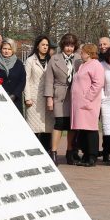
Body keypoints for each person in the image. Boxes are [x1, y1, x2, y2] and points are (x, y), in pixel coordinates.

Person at [44, 33, 79, 164]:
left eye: (71, 46)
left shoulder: (79, 59)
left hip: (74, 95)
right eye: (67, 45)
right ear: (62, 46)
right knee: (58, 124)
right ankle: (53, 152)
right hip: (59, 94)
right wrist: (49, 98)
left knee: (71, 126)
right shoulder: (54, 59)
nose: (69, 48)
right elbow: (48, 80)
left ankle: (70, 153)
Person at [69, 43, 105, 167]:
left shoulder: (96, 65)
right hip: (80, 104)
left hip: (88, 103)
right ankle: (85, 154)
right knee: (83, 130)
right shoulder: (83, 65)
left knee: (91, 129)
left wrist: (87, 98)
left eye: (82, 52)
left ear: (89, 53)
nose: (80, 54)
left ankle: (92, 156)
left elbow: (98, 83)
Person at [23, 35, 54, 153]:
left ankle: (47, 151)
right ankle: (34, 151)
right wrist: (27, 98)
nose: (45, 47)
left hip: (47, 97)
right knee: (34, 127)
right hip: (34, 98)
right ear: (37, 46)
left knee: (47, 127)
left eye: (47, 45)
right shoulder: (30, 60)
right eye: (43, 45)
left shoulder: (51, 60)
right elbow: (26, 79)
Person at [0, 38, 26, 114]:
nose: (6, 51)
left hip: (15, 100)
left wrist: (14, 95)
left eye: (9, 49)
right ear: (1, 49)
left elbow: (22, 81)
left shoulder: (19, 64)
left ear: (13, 50)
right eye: (4, 48)